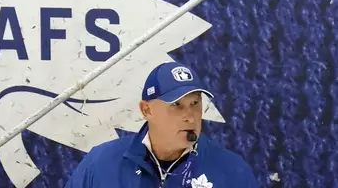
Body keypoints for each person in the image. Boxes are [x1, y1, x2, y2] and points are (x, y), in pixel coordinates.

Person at [64, 61, 258, 187]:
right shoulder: (101, 164)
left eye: (195, 104)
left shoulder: (232, 171)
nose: (190, 116)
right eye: (176, 105)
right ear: (147, 110)